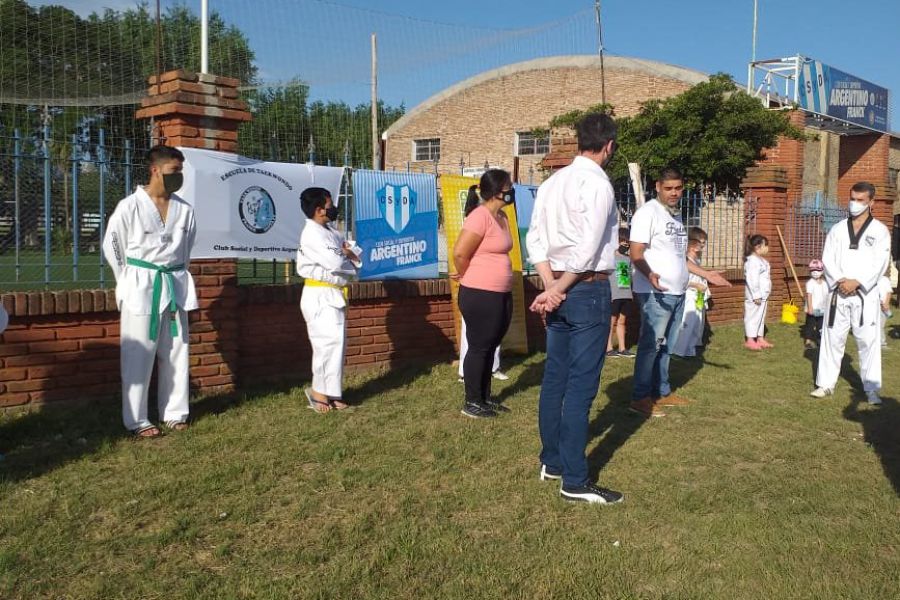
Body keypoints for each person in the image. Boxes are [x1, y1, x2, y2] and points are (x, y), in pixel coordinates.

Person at [526, 112, 622, 504]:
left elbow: (536, 240)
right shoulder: (598, 184)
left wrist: (550, 286)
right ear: (609, 146)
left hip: (561, 287)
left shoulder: (552, 182)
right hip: (585, 289)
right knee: (580, 385)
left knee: (555, 378)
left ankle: (552, 459)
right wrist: (558, 288)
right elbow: (587, 249)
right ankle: (575, 479)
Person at [103, 145, 197, 437]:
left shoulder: (184, 209)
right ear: (155, 170)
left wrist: (175, 274)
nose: (178, 176)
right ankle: (137, 419)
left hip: (173, 283)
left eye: (180, 171)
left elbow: (186, 248)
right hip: (140, 286)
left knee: (176, 351)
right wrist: (128, 279)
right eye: (174, 171)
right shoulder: (129, 206)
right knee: (138, 353)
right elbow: (113, 246)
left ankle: (174, 413)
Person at [628, 168, 731, 418]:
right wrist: (649, 274)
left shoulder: (675, 217)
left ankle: (662, 392)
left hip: (677, 291)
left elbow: (680, 258)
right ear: (658, 186)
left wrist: (707, 274)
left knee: (667, 346)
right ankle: (640, 397)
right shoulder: (647, 213)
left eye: (678, 188)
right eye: (669, 188)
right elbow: (636, 252)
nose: (674, 193)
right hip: (655, 292)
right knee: (650, 345)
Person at [811, 182, 891, 405]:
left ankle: (872, 389)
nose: (854, 204)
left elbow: (880, 263)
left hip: (865, 296)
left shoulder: (880, 231)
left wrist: (858, 282)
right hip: (839, 293)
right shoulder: (837, 229)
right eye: (852, 198)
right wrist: (840, 280)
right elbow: (828, 259)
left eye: (860, 200)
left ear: (871, 202)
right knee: (831, 339)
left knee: (868, 342)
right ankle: (825, 384)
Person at [452, 169, 515, 418]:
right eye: (509, 186)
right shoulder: (480, 217)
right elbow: (459, 253)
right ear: (498, 190)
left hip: (501, 293)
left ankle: (485, 397)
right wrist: (468, 277)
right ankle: (471, 401)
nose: (512, 190)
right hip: (480, 293)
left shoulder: (502, 217)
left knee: (490, 345)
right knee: (479, 346)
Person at [296, 187, 361, 413]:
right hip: (319, 295)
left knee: (336, 345)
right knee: (325, 344)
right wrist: (346, 256)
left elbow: (351, 253)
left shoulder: (331, 231)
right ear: (319, 209)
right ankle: (318, 393)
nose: (333, 208)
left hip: (334, 294)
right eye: (330, 204)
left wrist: (347, 255)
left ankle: (333, 392)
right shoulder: (312, 233)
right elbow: (335, 263)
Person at [672, 228, 709, 358]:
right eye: (702, 242)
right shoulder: (685, 260)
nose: (703, 246)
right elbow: (681, 280)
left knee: (697, 323)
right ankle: (678, 350)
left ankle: (690, 350)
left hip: (698, 294)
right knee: (687, 323)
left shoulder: (697, 261)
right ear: (693, 244)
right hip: (689, 294)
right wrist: (695, 285)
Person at [607, 227, 634, 358]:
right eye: (622, 241)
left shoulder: (629, 258)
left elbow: (631, 275)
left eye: (627, 242)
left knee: (622, 321)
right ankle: (608, 348)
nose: (625, 244)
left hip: (626, 293)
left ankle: (622, 348)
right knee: (611, 321)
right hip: (614, 294)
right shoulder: (610, 257)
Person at [743, 234, 772, 350]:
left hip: (763, 294)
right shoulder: (752, 261)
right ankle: (750, 339)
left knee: (761, 317)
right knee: (752, 316)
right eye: (766, 245)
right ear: (758, 247)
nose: (767, 248)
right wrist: (756, 295)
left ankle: (760, 338)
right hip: (755, 296)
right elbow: (752, 279)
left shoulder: (761, 260)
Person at [803, 259, 828, 349]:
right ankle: (808, 341)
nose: (814, 272)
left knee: (820, 326)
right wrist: (810, 308)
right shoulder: (810, 283)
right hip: (812, 309)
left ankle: (819, 340)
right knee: (810, 325)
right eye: (812, 271)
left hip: (822, 309)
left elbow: (826, 296)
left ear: (822, 271)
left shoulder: (825, 284)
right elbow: (809, 296)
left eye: (817, 270)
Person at [878, 271, 893, 348]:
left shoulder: (885, 279)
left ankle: (882, 343)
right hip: (874, 305)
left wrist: (886, 303)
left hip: (882, 305)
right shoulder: (872, 278)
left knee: (880, 325)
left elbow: (889, 292)